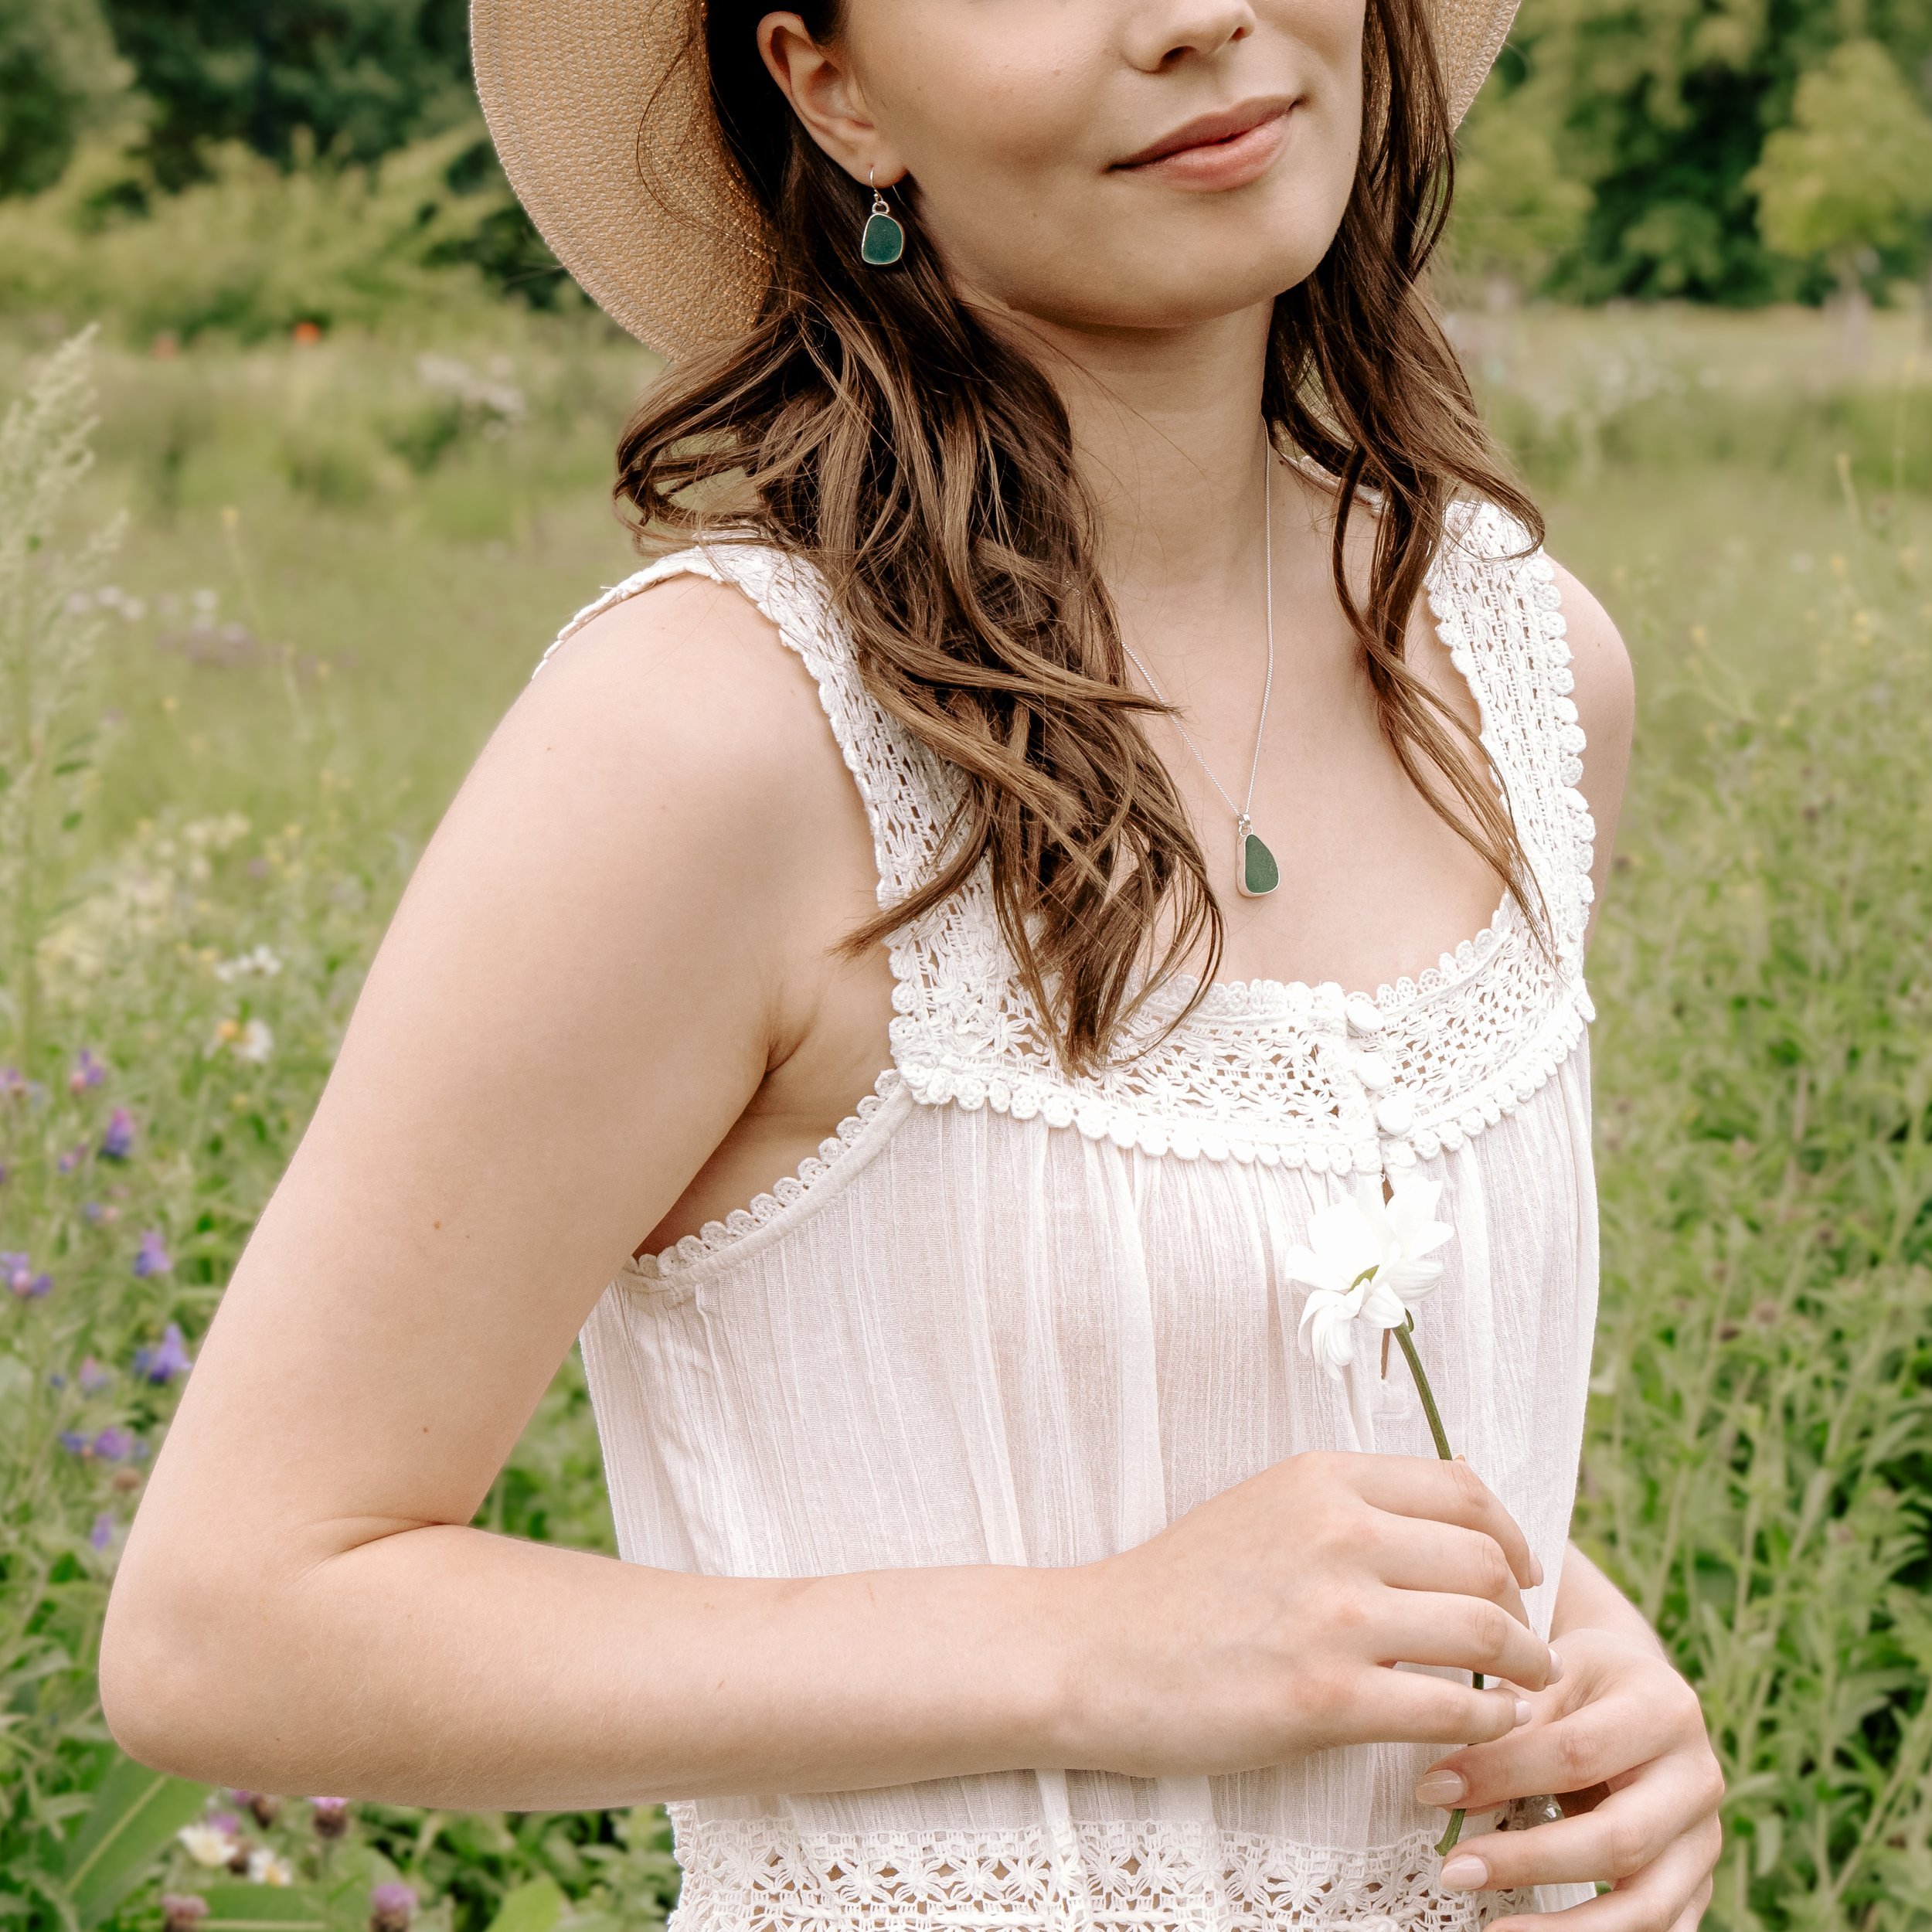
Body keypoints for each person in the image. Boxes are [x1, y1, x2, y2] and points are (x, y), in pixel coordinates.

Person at [100, 2, 1726, 1927]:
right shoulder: (712, 738)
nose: (1199, 14)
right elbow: (232, 1621)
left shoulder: (1526, 671)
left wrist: (1572, 1635)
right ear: (829, 84)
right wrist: (1076, 1648)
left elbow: (1265, 1388)